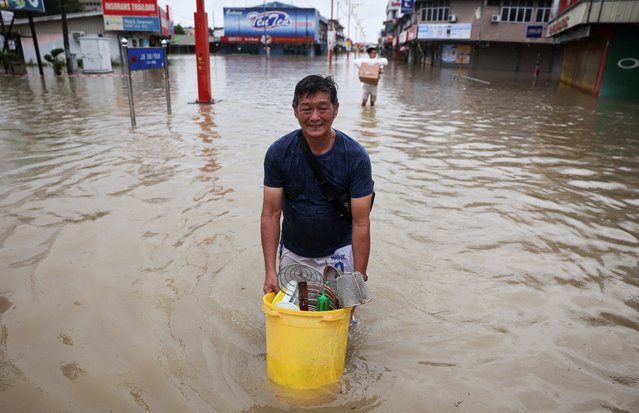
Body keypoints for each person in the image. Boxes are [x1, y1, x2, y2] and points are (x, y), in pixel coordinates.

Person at [261, 75, 375, 294]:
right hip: (294, 251)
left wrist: (358, 281)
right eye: (306, 109)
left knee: (343, 321)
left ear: (336, 109)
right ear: (295, 111)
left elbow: (361, 223)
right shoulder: (278, 153)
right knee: (294, 319)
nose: (315, 117)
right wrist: (270, 272)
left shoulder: (356, 157)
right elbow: (270, 214)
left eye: (323, 108)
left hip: (340, 251)